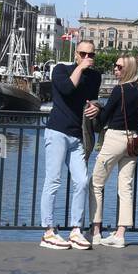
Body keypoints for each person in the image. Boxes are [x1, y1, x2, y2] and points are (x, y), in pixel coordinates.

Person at [90, 55, 138, 248]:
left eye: (118, 67)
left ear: (128, 70)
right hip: (133, 140)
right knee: (126, 187)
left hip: (115, 138)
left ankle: (96, 231)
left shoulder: (119, 90)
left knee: (96, 184)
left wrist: (96, 113)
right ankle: (120, 234)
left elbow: (104, 118)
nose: (115, 70)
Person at [40, 40, 102, 250]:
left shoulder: (95, 77)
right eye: (83, 53)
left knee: (82, 181)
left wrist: (96, 108)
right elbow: (67, 89)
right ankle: (48, 231)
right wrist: (79, 68)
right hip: (57, 131)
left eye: (91, 55)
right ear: (76, 54)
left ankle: (76, 229)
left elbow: (91, 101)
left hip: (77, 136)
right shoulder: (60, 70)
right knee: (53, 180)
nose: (87, 58)